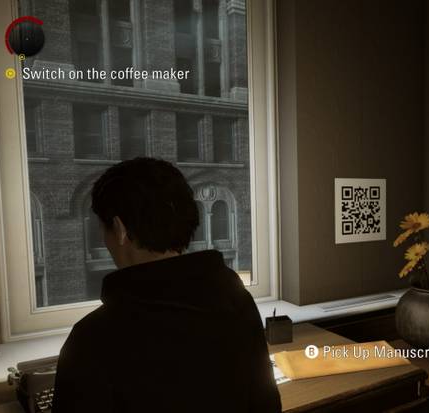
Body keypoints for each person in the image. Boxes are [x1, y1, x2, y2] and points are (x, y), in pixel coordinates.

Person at [52, 157, 281, 413]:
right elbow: (266, 404)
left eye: (102, 229)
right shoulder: (237, 300)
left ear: (119, 229)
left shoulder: (91, 340)